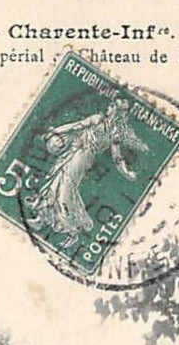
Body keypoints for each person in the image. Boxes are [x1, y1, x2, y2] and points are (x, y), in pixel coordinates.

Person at [30, 96, 149, 247]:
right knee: (54, 181)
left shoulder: (115, 133)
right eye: (111, 104)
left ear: (118, 112)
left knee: (65, 192)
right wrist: (55, 133)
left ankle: (71, 230)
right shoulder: (97, 118)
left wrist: (126, 173)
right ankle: (41, 219)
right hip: (73, 151)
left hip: (83, 158)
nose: (109, 107)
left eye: (113, 106)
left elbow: (117, 157)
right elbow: (75, 126)